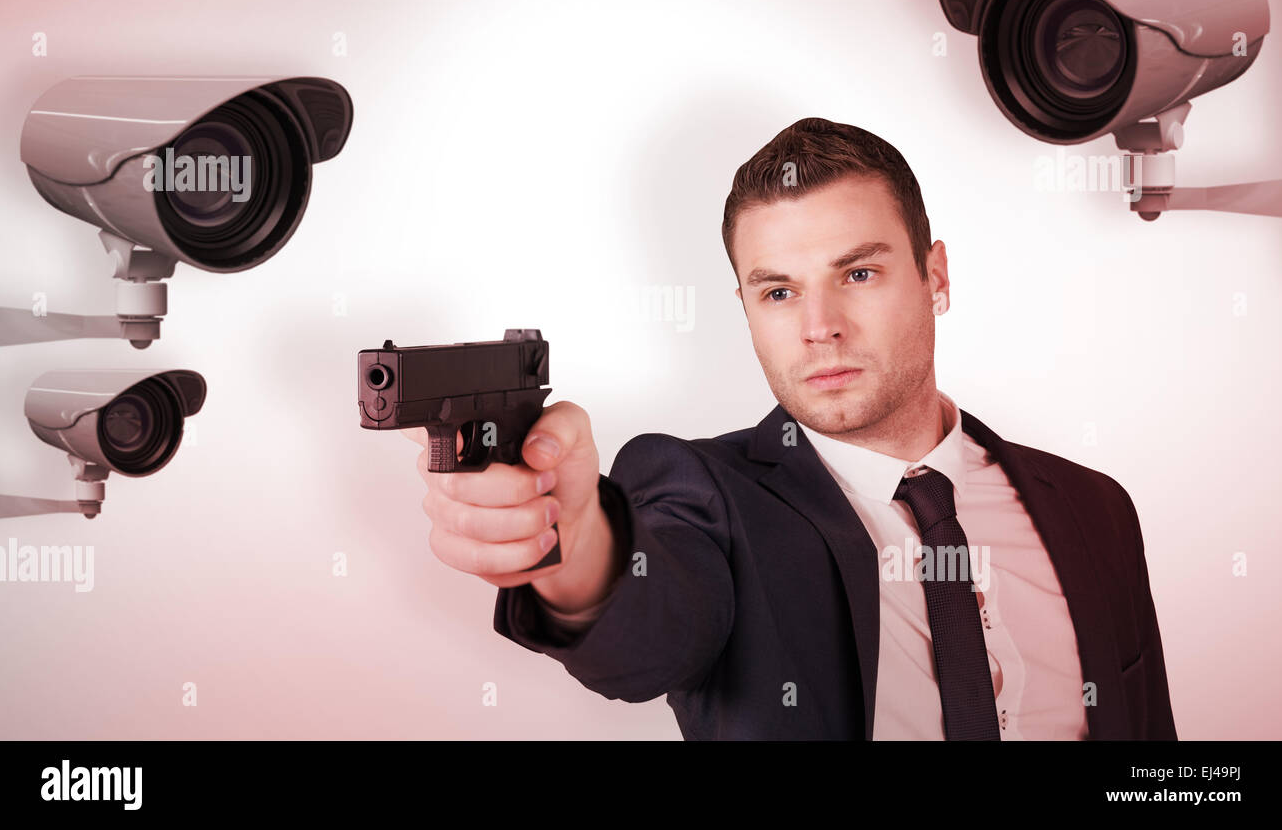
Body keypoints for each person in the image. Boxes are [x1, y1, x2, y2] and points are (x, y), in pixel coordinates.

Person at [403, 117, 1177, 740]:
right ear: (744, 306)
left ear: (934, 276)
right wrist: (575, 542)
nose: (819, 327)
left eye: (859, 274)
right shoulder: (704, 494)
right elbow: (644, 640)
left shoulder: (1094, 508)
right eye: (778, 292)